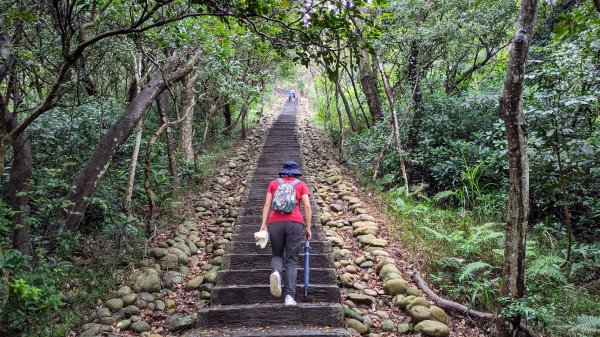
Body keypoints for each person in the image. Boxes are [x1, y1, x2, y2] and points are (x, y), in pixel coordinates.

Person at [260, 161, 312, 305]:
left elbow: (267, 204)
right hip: (295, 223)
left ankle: (276, 272)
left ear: (282, 171)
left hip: (275, 222)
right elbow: (307, 206)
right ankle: (289, 296)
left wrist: (263, 224)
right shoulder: (301, 185)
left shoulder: (273, 184)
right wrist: (308, 227)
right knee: (291, 260)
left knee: (277, 254)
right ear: (296, 172)